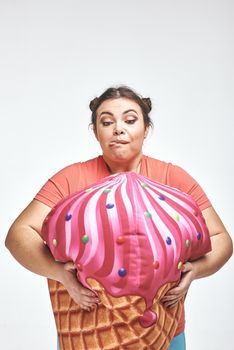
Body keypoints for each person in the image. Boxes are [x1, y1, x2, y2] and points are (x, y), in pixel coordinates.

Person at [5, 86, 233, 350]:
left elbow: (221, 238)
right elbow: (18, 234)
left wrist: (197, 270)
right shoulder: (72, 178)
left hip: (164, 334)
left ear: (146, 129)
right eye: (107, 122)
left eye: (130, 120)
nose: (118, 128)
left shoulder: (173, 178)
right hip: (87, 334)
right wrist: (59, 273)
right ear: (96, 132)